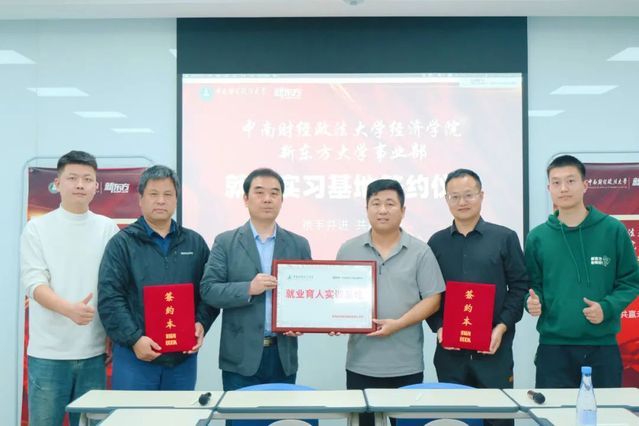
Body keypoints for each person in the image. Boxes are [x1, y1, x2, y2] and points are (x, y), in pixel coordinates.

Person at [20, 151, 119, 426]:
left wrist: (113, 334)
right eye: (72, 178)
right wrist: (69, 310)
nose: (80, 185)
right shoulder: (37, 228)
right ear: (57, 183)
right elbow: (34, 284)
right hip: (48, 354)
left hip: (94, 353)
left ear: (96, 186)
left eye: (87, 179)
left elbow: (115, 285)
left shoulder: (107, 228)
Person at [98, 165, 218, 390]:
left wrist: (201, 323)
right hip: (136, 356)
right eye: (154, 194)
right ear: (140, 199)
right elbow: (110, 298)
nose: (161, 201)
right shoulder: (122, 244)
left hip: (182, 358)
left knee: (179, 411)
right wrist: (134, 339)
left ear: (176, 200)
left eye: (168, 194)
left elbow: (209, 291)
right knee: (133, 412)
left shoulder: (195, 242)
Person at [336, 179, 444, 426]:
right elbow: (337, 297)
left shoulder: (420, 251)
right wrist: (334, 321)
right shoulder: (348, 249)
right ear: (366, 209)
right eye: (375, 203)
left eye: (390, 203)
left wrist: (398, 324)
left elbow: (433, 300)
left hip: (406, 364)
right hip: (361, 363)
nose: (382, 210)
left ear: (403, 210)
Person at [525, 155, 639, 388]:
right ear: (549, 188)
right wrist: (531, 302)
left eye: (571, 181)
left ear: (585, 185)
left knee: (605, 410)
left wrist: (607, 307)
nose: (563, 188)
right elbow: (531, 286)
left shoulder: (612, 230)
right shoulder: (537, 237)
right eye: (556, 182)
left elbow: (631, 281)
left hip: (602, 347)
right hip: (553, 348)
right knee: (554, 411)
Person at [427, 169, 528, 426]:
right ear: (446, 200)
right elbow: (428, 293)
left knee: (498, 420)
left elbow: (519, 287)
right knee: (454, 421)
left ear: (481, 196)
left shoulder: (504, 238)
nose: (462, 202)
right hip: (450, 355)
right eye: (454, 196)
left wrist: (501, 327)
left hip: (494, 352)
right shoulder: (436, 242)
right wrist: (439, 327)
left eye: (468, 195)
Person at [199, 168, 311, 390]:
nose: (267, 199)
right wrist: (249, 288)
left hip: (283, 356)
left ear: (282, 200)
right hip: (240, 358)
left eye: (274, 193)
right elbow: (209, 290)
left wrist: (301, 323)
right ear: (246, 198)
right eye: (259, 192)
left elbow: (308, 295)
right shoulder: (225, 242)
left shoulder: (299, 244)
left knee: (282, 412)